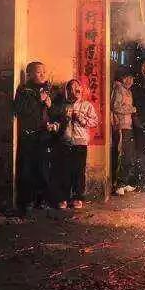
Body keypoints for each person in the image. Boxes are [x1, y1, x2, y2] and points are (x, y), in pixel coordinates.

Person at [13, 61, 59, 213]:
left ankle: (43, 200)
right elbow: (20, 110)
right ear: (29, 74)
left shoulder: (49, 90)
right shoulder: (24, 90)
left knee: (44, 169)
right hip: (29, 135)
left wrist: (50, 105)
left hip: (44, 135)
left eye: (44, 72)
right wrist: (38, 100)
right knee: (28, 169)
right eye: (39, 72)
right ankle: (28, 201)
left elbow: (56, 113)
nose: (43, 75)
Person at [53, 79, 98, 209]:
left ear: (81, 89)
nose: (75, 90)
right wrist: (55, 126)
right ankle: (63, 198)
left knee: (79, 171)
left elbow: (95, 122)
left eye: (77, 87)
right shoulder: (63, 106)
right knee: (64, 171)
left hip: (80, 143)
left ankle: (78, 198)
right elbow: (58, 122)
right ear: (67, 91)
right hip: (66, 142)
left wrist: (81, 119)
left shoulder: (86, 105)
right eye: (71, 88)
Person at [111, 69, 138, 195]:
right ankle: (118, 184)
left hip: (128, 126)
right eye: (127, 78)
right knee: (121, 154)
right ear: (122, 78)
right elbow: (115, 107)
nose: (129, 81)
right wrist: (131, 109)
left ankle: (125, 181)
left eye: (131, 78)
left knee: (128, 154)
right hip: (121, 126)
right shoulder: (118, 89)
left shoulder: (128, 91)